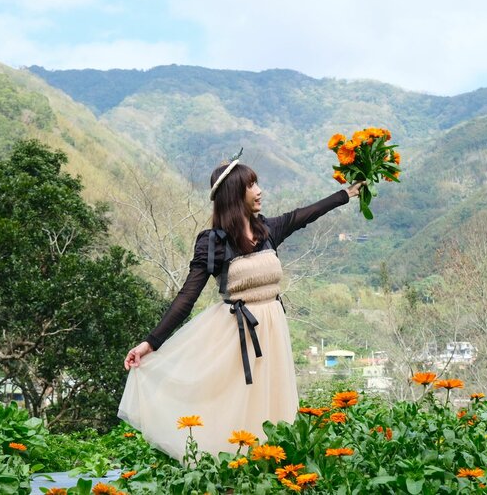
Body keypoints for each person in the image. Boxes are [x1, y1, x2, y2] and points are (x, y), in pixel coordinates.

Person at [118, 156, 362, 462]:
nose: (259, 190)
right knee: (236, 409)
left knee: (272, 406)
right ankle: (232, 473)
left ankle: (273, 469)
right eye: (251, 185)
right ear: (235, 194)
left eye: (257, 183)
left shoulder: (268, 230)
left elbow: (306, 214)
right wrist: (150, 343)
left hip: (273, 333)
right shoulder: (213, 244)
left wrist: (346, 194)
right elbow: (186, 298)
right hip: (236, 338)